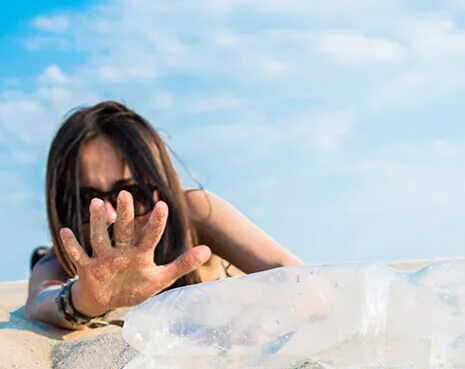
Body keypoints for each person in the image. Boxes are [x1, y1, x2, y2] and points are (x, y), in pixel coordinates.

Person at [25, 101, 302, 329]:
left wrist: (267, 315)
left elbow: (292, 272)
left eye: (132, 193)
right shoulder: (66, 253)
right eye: (85, 200)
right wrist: (85, 299)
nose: (111, 216)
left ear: (160, 186)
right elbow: (41, 301)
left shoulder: (195, 211)